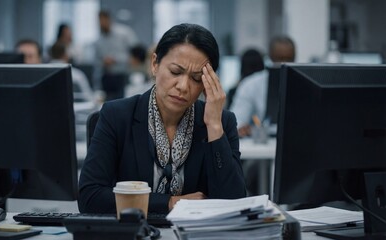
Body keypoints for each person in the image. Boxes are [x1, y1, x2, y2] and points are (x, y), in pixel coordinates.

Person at [78, 23, 247, 214]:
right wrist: (170, 202)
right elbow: (89, 197)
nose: (183, 86)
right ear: (154, 64)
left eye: (197, 78)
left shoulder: (221, 122)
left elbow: (234, 204)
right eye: (175, 72)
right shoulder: (117, 116)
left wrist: (214, 127)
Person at [230, 36, 295, 137]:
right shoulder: (250, 84)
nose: (284, 63)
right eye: (279, 58)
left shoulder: (305, 84)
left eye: (289, 59)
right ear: (271, 56)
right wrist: (243, 128)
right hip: (262, 144)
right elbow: (236, 120)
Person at [93, 10, 139, 100]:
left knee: (123, 102)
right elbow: (96, 62)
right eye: (99, 21)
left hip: (122, 75)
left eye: (103, 20)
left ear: (108, 19)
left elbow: (136, 52)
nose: (101, 24)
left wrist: (116, 60)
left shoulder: (124, 33)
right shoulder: (99, 40)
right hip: (106, 77)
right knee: (107, 105)